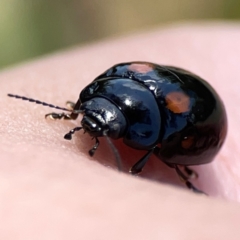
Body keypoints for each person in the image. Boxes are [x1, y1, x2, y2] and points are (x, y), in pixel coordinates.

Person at [1, 23, 240, 239]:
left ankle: (180, 172)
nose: (91, 126)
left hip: (200, 109)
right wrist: (76, 111)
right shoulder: (113, 82)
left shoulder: (154, 119)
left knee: (166, 147)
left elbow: (151, 142)